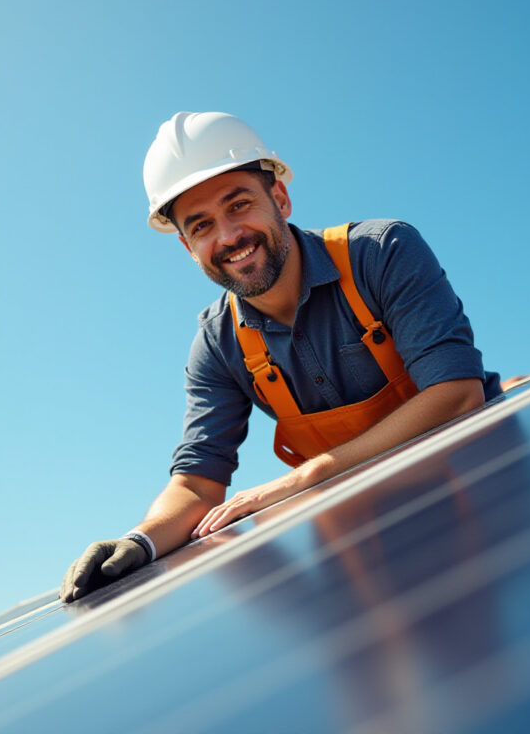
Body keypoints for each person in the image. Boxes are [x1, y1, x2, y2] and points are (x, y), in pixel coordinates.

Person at [59, 111, 501, 603]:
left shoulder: (380, 253)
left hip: (485, 491)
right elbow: (197, 484)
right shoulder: (218, 345)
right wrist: (140, 540)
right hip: (376, 543)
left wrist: (308, 476)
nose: (228, 237)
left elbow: (457, 394)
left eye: (239, 205)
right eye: (202, 226)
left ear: (281, 199)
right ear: (187, 247)